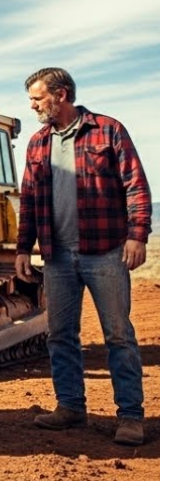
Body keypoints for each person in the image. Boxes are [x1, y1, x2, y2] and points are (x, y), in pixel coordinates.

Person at [14, 67, 152, 447]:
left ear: (61, 94)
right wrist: (24, 247)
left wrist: (137, 236)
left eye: (38, 98)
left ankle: (130, 416)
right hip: (56, 257)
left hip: (105, 252)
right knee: (60, 335)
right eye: (31, 100)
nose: (33, 105)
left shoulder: (108, 130)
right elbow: (28, 200)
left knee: (118, 335)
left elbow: (136, 186)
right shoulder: (38, 143)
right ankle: (70, 406)